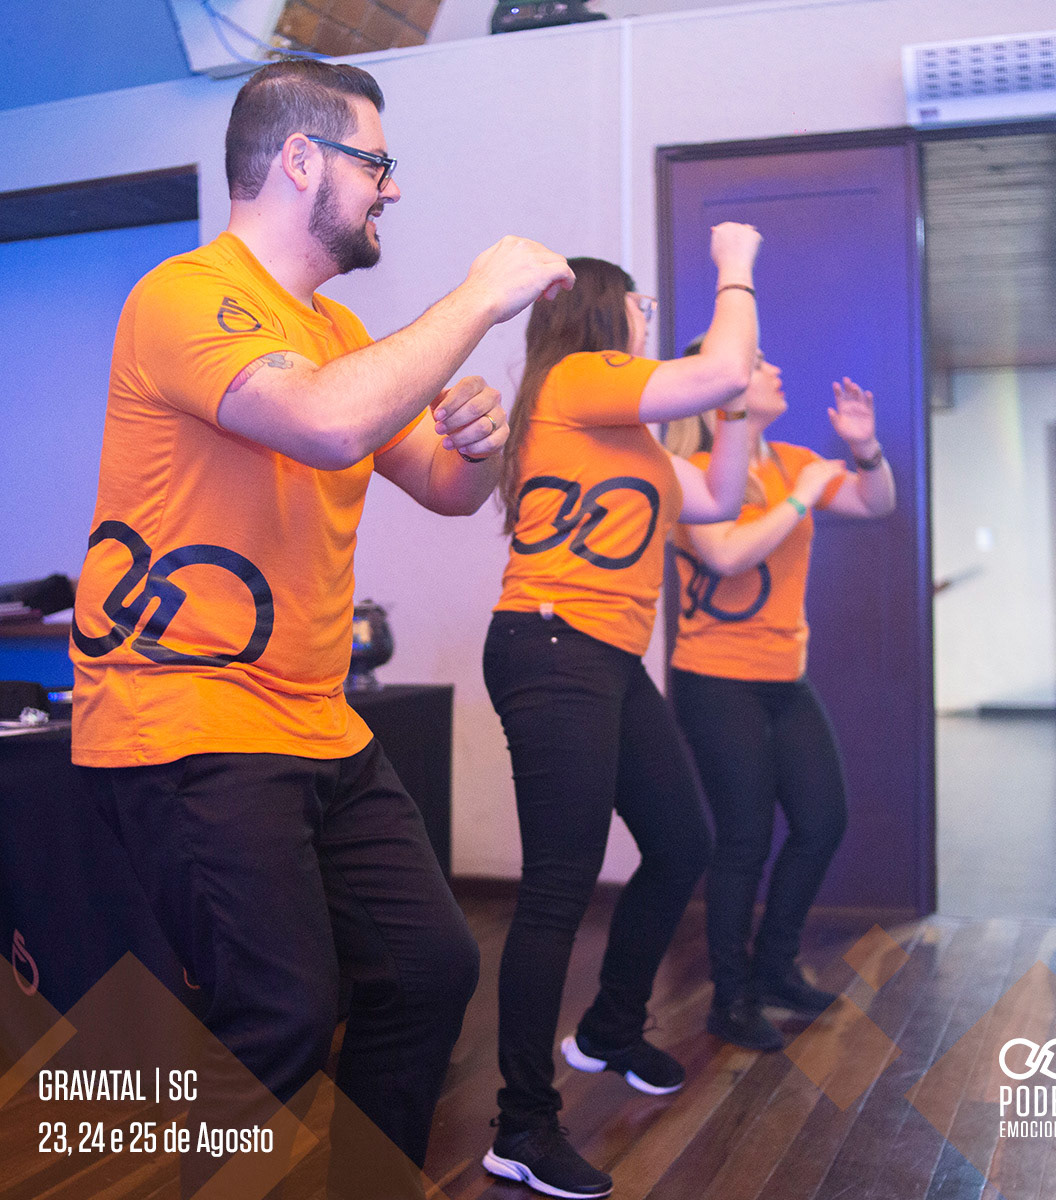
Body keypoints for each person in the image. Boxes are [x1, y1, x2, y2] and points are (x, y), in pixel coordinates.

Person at [68, 58, 573, 1192]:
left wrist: (479, 447)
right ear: (301, 160)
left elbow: (441, 486)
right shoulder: (183, 294)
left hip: (314, 721)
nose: (391, 188)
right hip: (186, 716)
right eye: (375, 162)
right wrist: (479, 294)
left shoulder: (338, 329)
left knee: (429, 968)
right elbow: (325, 423)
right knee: (283, 1012)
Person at [480, 225, 763, 1198]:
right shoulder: (574, 380)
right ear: (604, 312)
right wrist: (734, 265)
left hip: (603, 656)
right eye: (639, 302)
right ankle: (522, 1125)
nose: (649, 314)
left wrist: (738, 410)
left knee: (683, 843)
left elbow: (719, 497)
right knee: (559, 890)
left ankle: (607, 1028)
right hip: (552, 645)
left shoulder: (625, 433)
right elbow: (719, 366)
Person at [665, 348, 895, 1052]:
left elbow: (875, 501)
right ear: (719, 396)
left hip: (783, 677)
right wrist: (800, 498)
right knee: (743, 839)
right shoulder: (693, 472)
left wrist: (865, 449)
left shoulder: (795, 460)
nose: (773, 368)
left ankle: (774, 968)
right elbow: (726, 553)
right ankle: (730, 1000)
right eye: (757, 363)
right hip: (714, 678)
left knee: (822, 821)